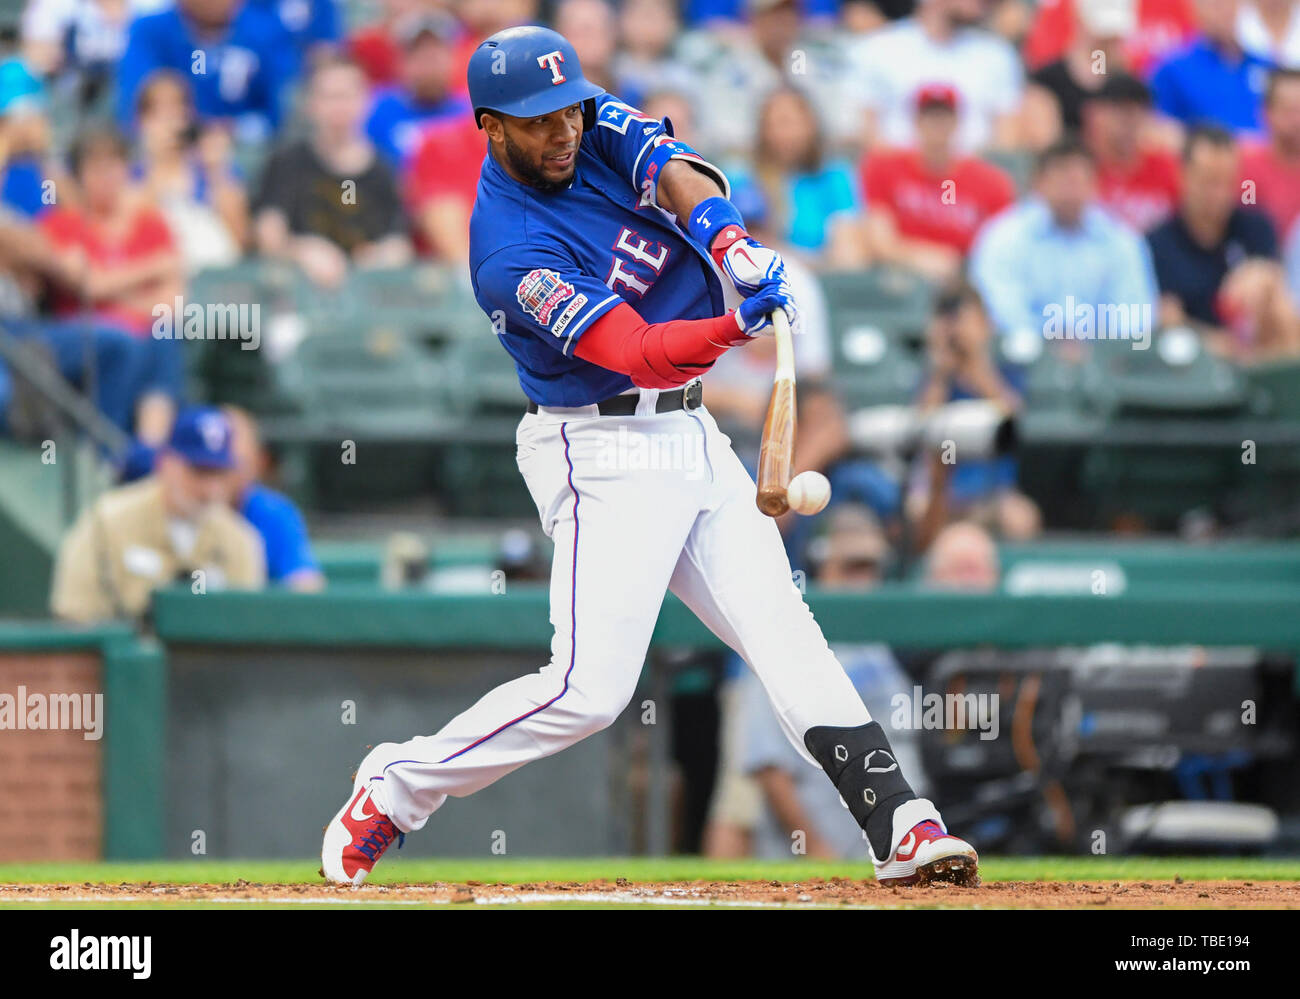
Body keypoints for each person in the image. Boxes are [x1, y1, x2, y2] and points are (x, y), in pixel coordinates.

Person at [321, 24, 979, 889]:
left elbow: (680, 170)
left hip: (692, 433)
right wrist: (731, 327)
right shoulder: (506, 248)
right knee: (588, 691)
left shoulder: (587, 121)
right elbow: (636, 350)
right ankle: (396, 786)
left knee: (783, 630)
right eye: (536, 120)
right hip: (598, 447)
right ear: (490, 125)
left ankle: (899, 821)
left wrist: (728, 240)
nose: (561, 131)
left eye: (567, 110)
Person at [714, 505, 927, 860]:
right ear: (821, 569)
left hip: (879, 853)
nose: (863, 581)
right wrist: (814, 846)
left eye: (870, 568)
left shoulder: (881, 649)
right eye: (851, 567)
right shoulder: (786, 645)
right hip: (807, 866)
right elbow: (769, 767)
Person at [40, 124, 185, 446]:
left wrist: (110, 289)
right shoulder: (61, 225)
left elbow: (172, 304)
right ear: (79, 174)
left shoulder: (152, 225)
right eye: (96, 167)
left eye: (114, 165)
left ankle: (148, 451)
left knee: (165, 335)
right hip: (86, 336)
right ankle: (104, 453)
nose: (106, 176)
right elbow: (87, 287)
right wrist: (151, 268)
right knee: (125, 343)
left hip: (146, 338)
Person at [50, 406, 265, 623]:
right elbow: (74, 615)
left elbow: (246, 627)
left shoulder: (239, 540)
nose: (209, 489)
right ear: (166, 463)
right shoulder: (107, 522)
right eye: (199, 472)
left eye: (218, 474)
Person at [969, 138, 1159, 344]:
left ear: (1095, 185)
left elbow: (1135, 315)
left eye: (1078, 179)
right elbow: (1000, 312)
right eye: (1061, 177)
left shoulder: (1122, 241)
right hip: (1023, 361)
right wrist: (1049, 346)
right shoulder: (1004, 237)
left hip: (1107, 364)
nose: (1071, 188)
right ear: (1038, 183)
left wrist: (1097, 351)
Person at [253, 54, 412, 287]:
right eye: (328, 97)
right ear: (311, 104)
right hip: (296, 292)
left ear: (365, 101)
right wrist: (300, 250)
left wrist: (380, 257)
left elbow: (400, 242)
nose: (338, 106)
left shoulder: (384, 169)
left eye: (346, 96)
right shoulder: (286, 162)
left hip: (365, 298)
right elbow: (267, 232)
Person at [1148, 124, 1300, 358]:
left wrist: (1265, 281)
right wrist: (1214, 342)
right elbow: (1165, 321)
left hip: (1258, 360)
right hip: (1190, 369)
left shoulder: (1256, 227)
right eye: (1209, 182)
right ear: (1183, 175)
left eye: (1227, 183)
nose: (1219, 195)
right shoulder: (1158, 244)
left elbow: (1281, 309)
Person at [910, 281, 1041, 548]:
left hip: (994, 491)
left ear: (987, 325)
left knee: (1021, 517)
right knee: (915, 511)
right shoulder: (933, 377)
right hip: (942, 489)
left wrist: (975, 363)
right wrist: (942, 369)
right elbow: (922, 427)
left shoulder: (1006, 372)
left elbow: (1012, 417)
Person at [860, 82, 1017, 282]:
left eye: (943, 117)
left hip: (966, 281)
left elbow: (1001, 250)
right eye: (930, 117)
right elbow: (880, 241)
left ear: (956, 122)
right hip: (901, 276)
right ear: (916, 121)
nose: (937, 125)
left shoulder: (991, 181)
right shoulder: (884, 167)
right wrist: (922, 257)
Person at [846, 0, 1026, 153]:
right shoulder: (876, 50)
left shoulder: (998, 55)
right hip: (899, 185)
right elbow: (866, 138)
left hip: (970, 185)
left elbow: (1007, 144)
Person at [116, 0, 298, 142]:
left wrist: (233, 129)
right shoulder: (149, 31)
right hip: (170, 145)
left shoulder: (266, 32)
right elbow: (137, 103)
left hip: (244, 150)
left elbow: (280, 109)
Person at [133, 70, 248, 273]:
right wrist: (157, 163)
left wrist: (217, 171)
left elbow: (240, 239)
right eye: (157, 111)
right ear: (142, 121)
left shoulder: (214, 166)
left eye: (177, 108)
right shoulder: (132, 176)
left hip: (215, 280)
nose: (168, 119)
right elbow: (134, 237)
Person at [223, 405, 325, 590]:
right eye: (207, 469)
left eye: (236, 463)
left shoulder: (274, 512)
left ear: (258, 461)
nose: (220, 478)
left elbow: (306, 581)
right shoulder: (171, 509)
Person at [1150, 0, 1273, 138]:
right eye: (1215, 4)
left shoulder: (1266, 66)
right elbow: (1158, 129)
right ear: (1195, 10)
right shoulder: (1171, 69)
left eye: (1229, 3)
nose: (1223, 11)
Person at [1022, 0, 1138, 146]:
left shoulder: (1124, 80)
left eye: (1114, 35)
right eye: (1105, 35)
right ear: (1080, 22)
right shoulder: (1048, 80)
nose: (1110, 40)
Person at [364, 12, 469, 167]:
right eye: (418, 56)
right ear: (401, 62)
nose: (428, 66)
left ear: (452, 59)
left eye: (434, 56)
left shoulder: (469, 114)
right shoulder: (378, 110)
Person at [1082, 73, 1182, 233]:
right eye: (1120, 112)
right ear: (1095, 115)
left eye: (1137, 113)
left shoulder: (1166, 168)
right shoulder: (1082, 167)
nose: (1129, 123)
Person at [1239, 68, 1300, 241]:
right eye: (1288, 110)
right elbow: (1246, 221)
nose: (1296, 120)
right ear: (1266, 113)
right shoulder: (1247, 173)